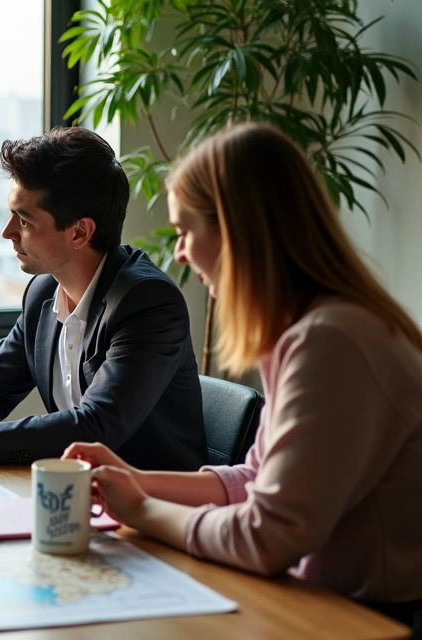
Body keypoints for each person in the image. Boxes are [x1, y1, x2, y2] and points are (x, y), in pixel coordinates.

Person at [66, 123, 422, 634]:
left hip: (369, 619)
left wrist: (142, 510)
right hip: (322, 602)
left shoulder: (334, 341)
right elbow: (256, 480)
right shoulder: (310, 330)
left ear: (238, 230)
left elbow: (265, 534)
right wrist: (137, 481)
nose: (181, 253)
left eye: (187, 231)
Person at [0, 127, 206, 470]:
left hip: (158, 503)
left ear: (80, 231)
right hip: (80, 493)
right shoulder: (43, 291)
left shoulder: (148, 302)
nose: (8, 232)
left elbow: (96, 425)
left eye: (24, 219)